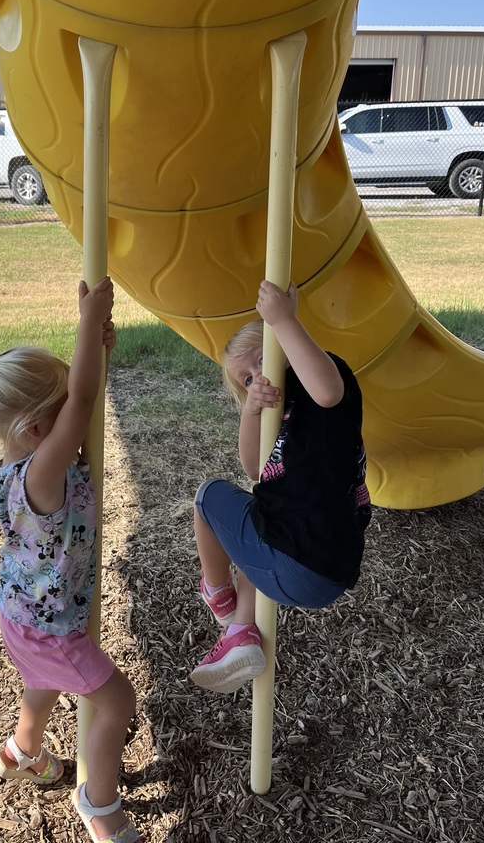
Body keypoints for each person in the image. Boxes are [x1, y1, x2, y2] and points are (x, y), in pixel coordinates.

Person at [0, 276, 140, 843]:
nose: (78, 428)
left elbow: (77, 397)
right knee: (117, 703)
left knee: (42, 682)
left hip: (20, 615)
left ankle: (22, 751)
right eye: (63, 422)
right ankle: (99, 803)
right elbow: (81, 400)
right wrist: (87, 321)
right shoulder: (42, 475)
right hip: (54, 628)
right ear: (38, 428)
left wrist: (94, 349)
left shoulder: (17, 469)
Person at [190, 279, 372, 694]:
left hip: (302, 559)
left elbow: (326, 392)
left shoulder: (324, 381)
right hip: (320, 569)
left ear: (283, 347)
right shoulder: (283, 415)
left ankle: (218, 594)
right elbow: (255, 468)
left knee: (207, 497)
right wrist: (252, 413)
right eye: (246, 379)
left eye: (262, 359)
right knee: (260, 517)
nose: (258, 378)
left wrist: (285, 319)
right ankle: (239, 633)